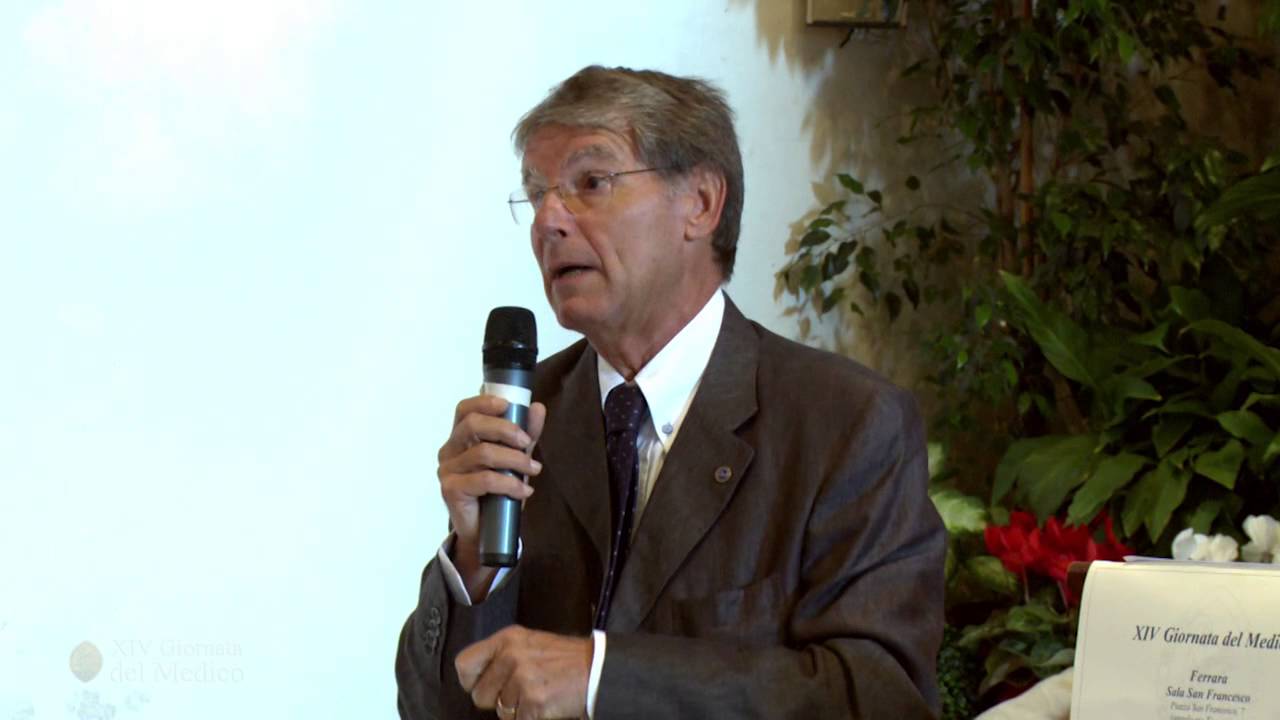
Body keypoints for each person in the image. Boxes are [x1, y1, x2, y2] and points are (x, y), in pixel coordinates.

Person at [395, 65, 946, 720]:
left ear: (701, 204)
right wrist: (474, 564)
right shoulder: (529, 414)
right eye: (537, 193)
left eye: (591, 183)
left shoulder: (845, 424)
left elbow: (878, 698)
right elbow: (430, 709)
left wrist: (603, 677)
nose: (548, 221)